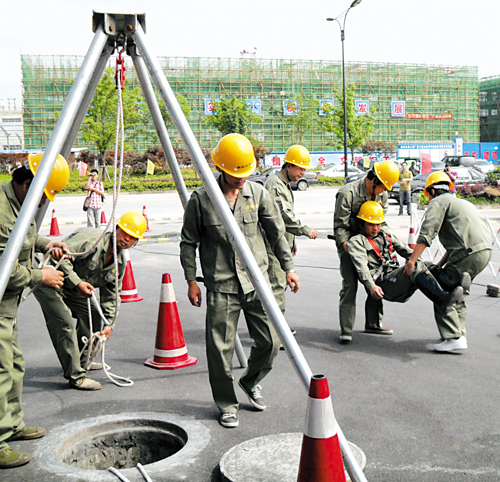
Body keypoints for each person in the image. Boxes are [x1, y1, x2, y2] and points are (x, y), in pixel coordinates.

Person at [180, 133, 300, 429]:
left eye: (245, 173)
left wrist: (289, 267)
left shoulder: (257, 194)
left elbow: (276, 233)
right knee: (219, 349)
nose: (240, 179)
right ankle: (226, 403)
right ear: (221, 168)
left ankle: (250, 380)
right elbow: (188, 242)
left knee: (272, 341)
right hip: (221, 285)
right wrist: (190, 280)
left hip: (256, 281)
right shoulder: (202, 200)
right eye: (235, 174)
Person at [0, 153, 69, 469]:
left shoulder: (18, 202)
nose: (43, 203)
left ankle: (12, 425)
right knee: (0, 372)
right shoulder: (1, 213)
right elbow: (5, 269)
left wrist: (45, 244)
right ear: (26, 183)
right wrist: (43, 275)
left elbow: (23, 236)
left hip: (7, 306)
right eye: (42, 196)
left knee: (14, 365)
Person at [33, 211, 146, 391]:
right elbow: (61, 256)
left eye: (132, 237)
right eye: (125, 232)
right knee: (64, 323)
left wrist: (109, 324)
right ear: (116, 228)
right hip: (50, 279)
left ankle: (82, 361)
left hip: (74, 289)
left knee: (94, 317)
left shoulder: (118, 263)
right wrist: (78, 283)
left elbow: (112, 295)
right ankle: (75, 376)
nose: (127, 239)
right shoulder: (90, 239)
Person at [405, 172, 492, 353]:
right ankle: (458, 333)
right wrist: (440, 264)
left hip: (466, 254)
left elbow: (427, 233)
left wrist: (412, 261)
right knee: (459, 292)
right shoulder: (461, 202)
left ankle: (453, 337)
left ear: (432, 190)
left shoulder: (439, 202)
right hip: (483, 252)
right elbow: (456, 243)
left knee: (439, 289)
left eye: (427, 193)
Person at [348, 201, 466, 331]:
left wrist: (420, 267)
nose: (375, 228)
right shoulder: (357, 241)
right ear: (362, 224)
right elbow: (361, 267)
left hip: (394, 277)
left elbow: (408, 252)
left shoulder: (386, 236)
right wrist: (371, 286)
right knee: (417, 267)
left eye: (378, 224)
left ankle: (452, 285)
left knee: (424, 264)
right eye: (371, 224)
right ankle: (443, 299)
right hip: (383, 284)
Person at [333, 160, 400, 343]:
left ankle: (373, 324)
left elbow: (381, 222)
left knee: (375, 280)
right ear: (373, 180)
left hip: (371, 244)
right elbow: (340, 226)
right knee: (350, 286)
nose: (385, 192)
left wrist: (386, 240)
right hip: (350, 245)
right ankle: (346, 329)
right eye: (383, 187)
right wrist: (346, 247)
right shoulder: (347, 193)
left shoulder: (381, 196)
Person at [264, 145, 317, 316]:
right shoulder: (275, 184)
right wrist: (304, 229)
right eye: (300, 168)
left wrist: (292, 242)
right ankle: (275, 334)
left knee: (280, 286)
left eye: (304, 169)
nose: (302, 173)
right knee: (277, 286)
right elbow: (282, 214)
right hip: (273, 245)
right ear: (289, 166)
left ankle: (275, 330)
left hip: (282, 243)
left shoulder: (283, 183)